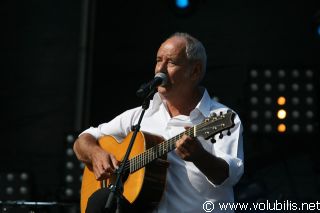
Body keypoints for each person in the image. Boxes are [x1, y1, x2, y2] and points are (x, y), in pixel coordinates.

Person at [73, 32, 244, 213]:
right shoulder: (140, 115)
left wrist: (199, 156)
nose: (160, 69)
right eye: (158, 60)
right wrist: (95, 153)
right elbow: (83, 140)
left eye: (171, 62)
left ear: (195, 71)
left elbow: (228, 176)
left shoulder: (222, 116)